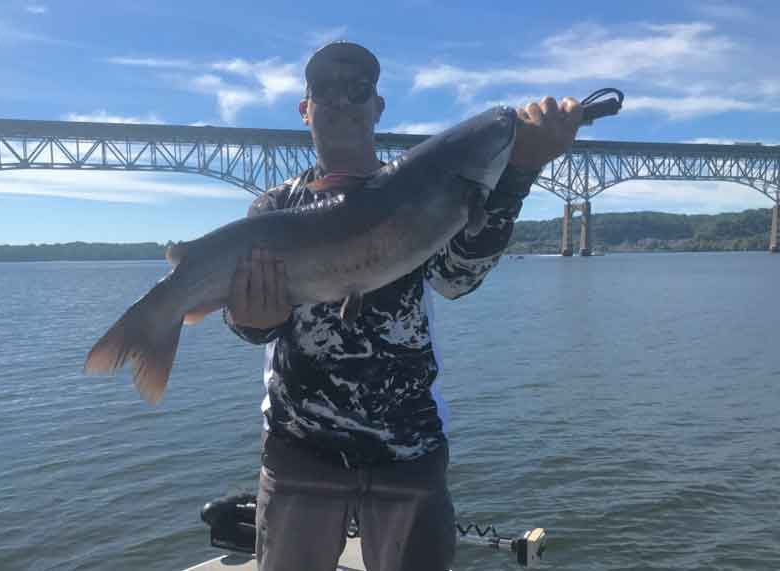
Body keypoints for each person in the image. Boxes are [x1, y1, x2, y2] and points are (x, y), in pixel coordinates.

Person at [223, 41, 582, 571]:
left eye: (358, 89)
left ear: (378, 106)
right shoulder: (275, 208)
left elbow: (457, 277)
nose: (342, 100)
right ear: (305, 108)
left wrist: (518, 173)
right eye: (325, 89)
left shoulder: (422, 189)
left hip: (407, 450)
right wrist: (250, 321)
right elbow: (251, 323)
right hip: (299, 447)